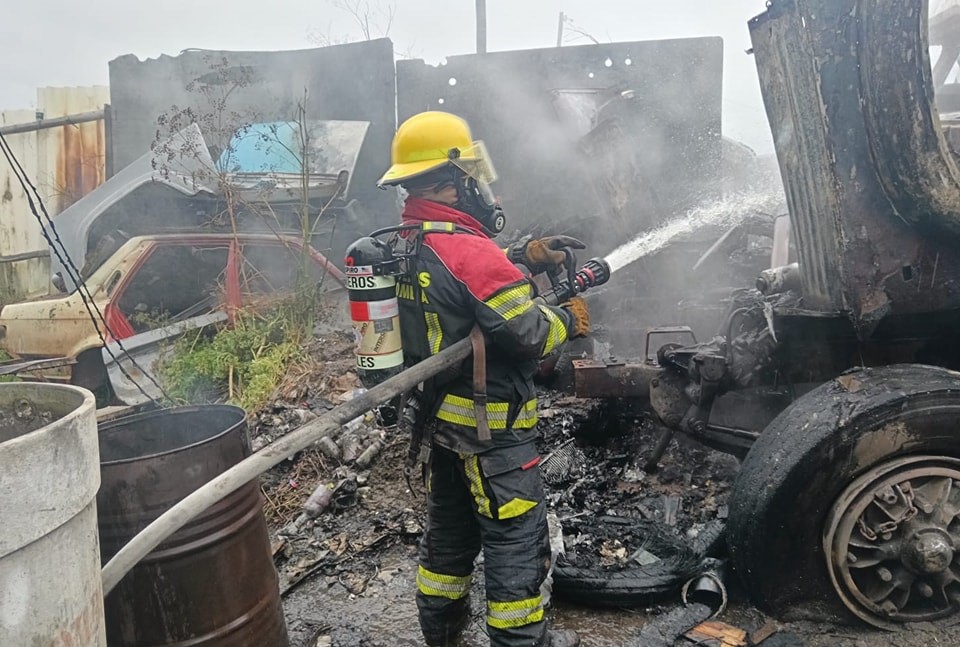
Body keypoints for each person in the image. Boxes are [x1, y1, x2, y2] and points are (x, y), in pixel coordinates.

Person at [377, 110, 589, 647]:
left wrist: (523, 256)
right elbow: (530, 334)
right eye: (472, 174)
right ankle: (519, 641)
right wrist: (569, 319)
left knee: (448, 537)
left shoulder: (402, 242)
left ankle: (442, 633)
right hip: (493, 436)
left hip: (441, 424)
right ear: (454, 180)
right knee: (516, 540)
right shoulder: (469, 252)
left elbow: (455, 283)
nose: (480, 185)